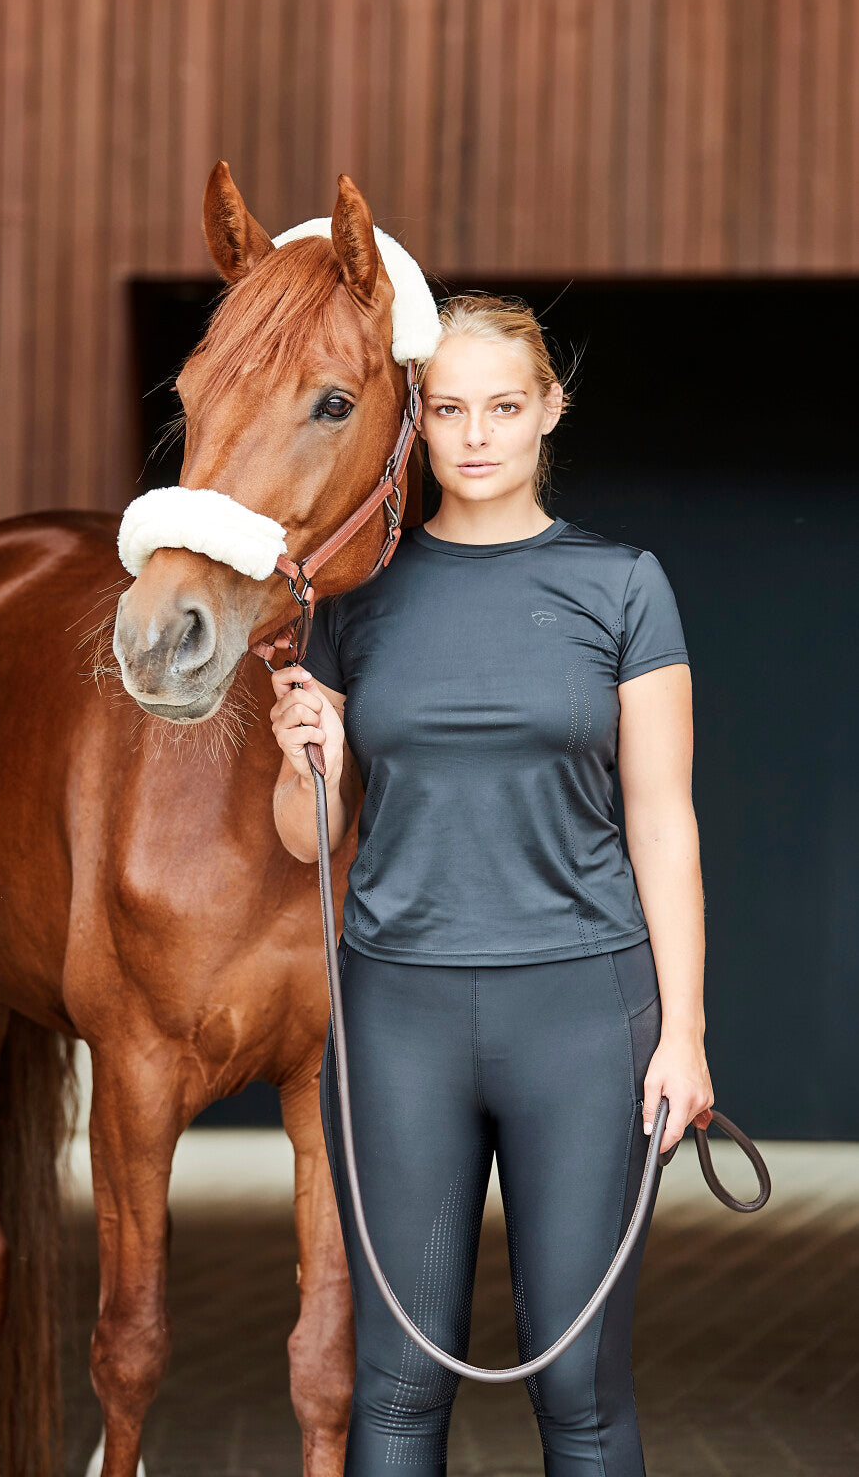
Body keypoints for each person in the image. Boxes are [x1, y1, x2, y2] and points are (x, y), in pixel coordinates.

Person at [268, 294, 714, 1477]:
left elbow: (661, 818)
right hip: (395, 1017)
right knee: (398, 1383)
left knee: (577, 1386)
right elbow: (307, 840)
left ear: (547, 410)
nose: (475, 436)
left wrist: (684, 1035)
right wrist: (299, 751)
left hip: (580, 1015)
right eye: (449, 408)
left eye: (503, 407)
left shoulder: (620, 586)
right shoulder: (353, 596)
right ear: (418, 417)